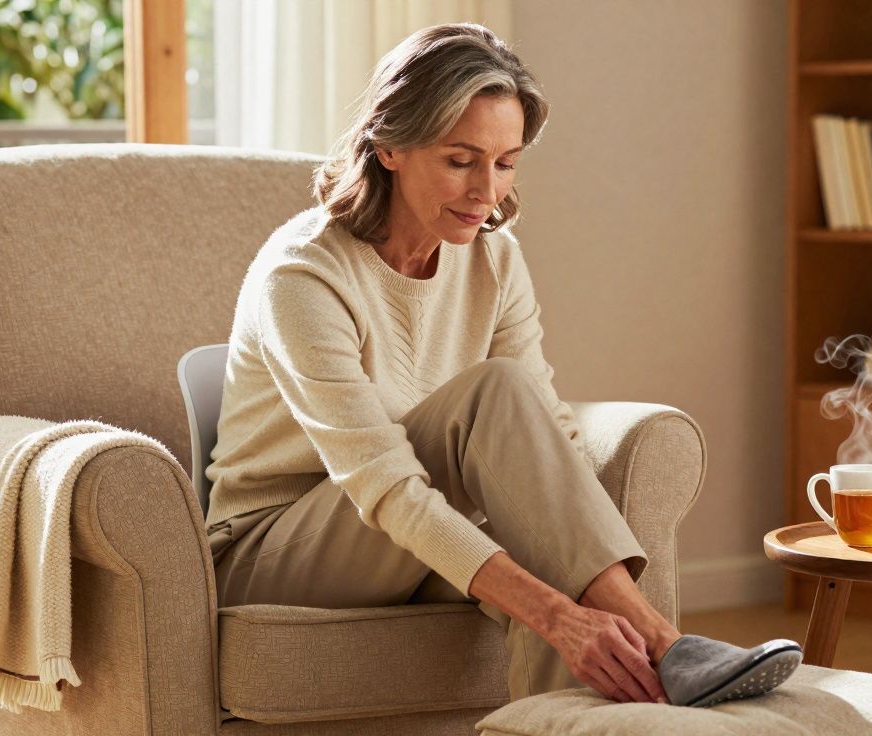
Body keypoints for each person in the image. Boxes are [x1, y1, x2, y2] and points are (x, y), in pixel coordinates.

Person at [204, 22, 800, 707]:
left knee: (549, 561)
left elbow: (542, 425)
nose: (487, 191)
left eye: (507, 161)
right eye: (461, 160)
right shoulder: (303, 275)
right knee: (496, 401)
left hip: (403, 526)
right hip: (274, 552)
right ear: (389, 145)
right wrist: (558, 614)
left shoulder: (494, 257)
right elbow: (386, 486)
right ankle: (667, 645)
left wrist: (572, 575)